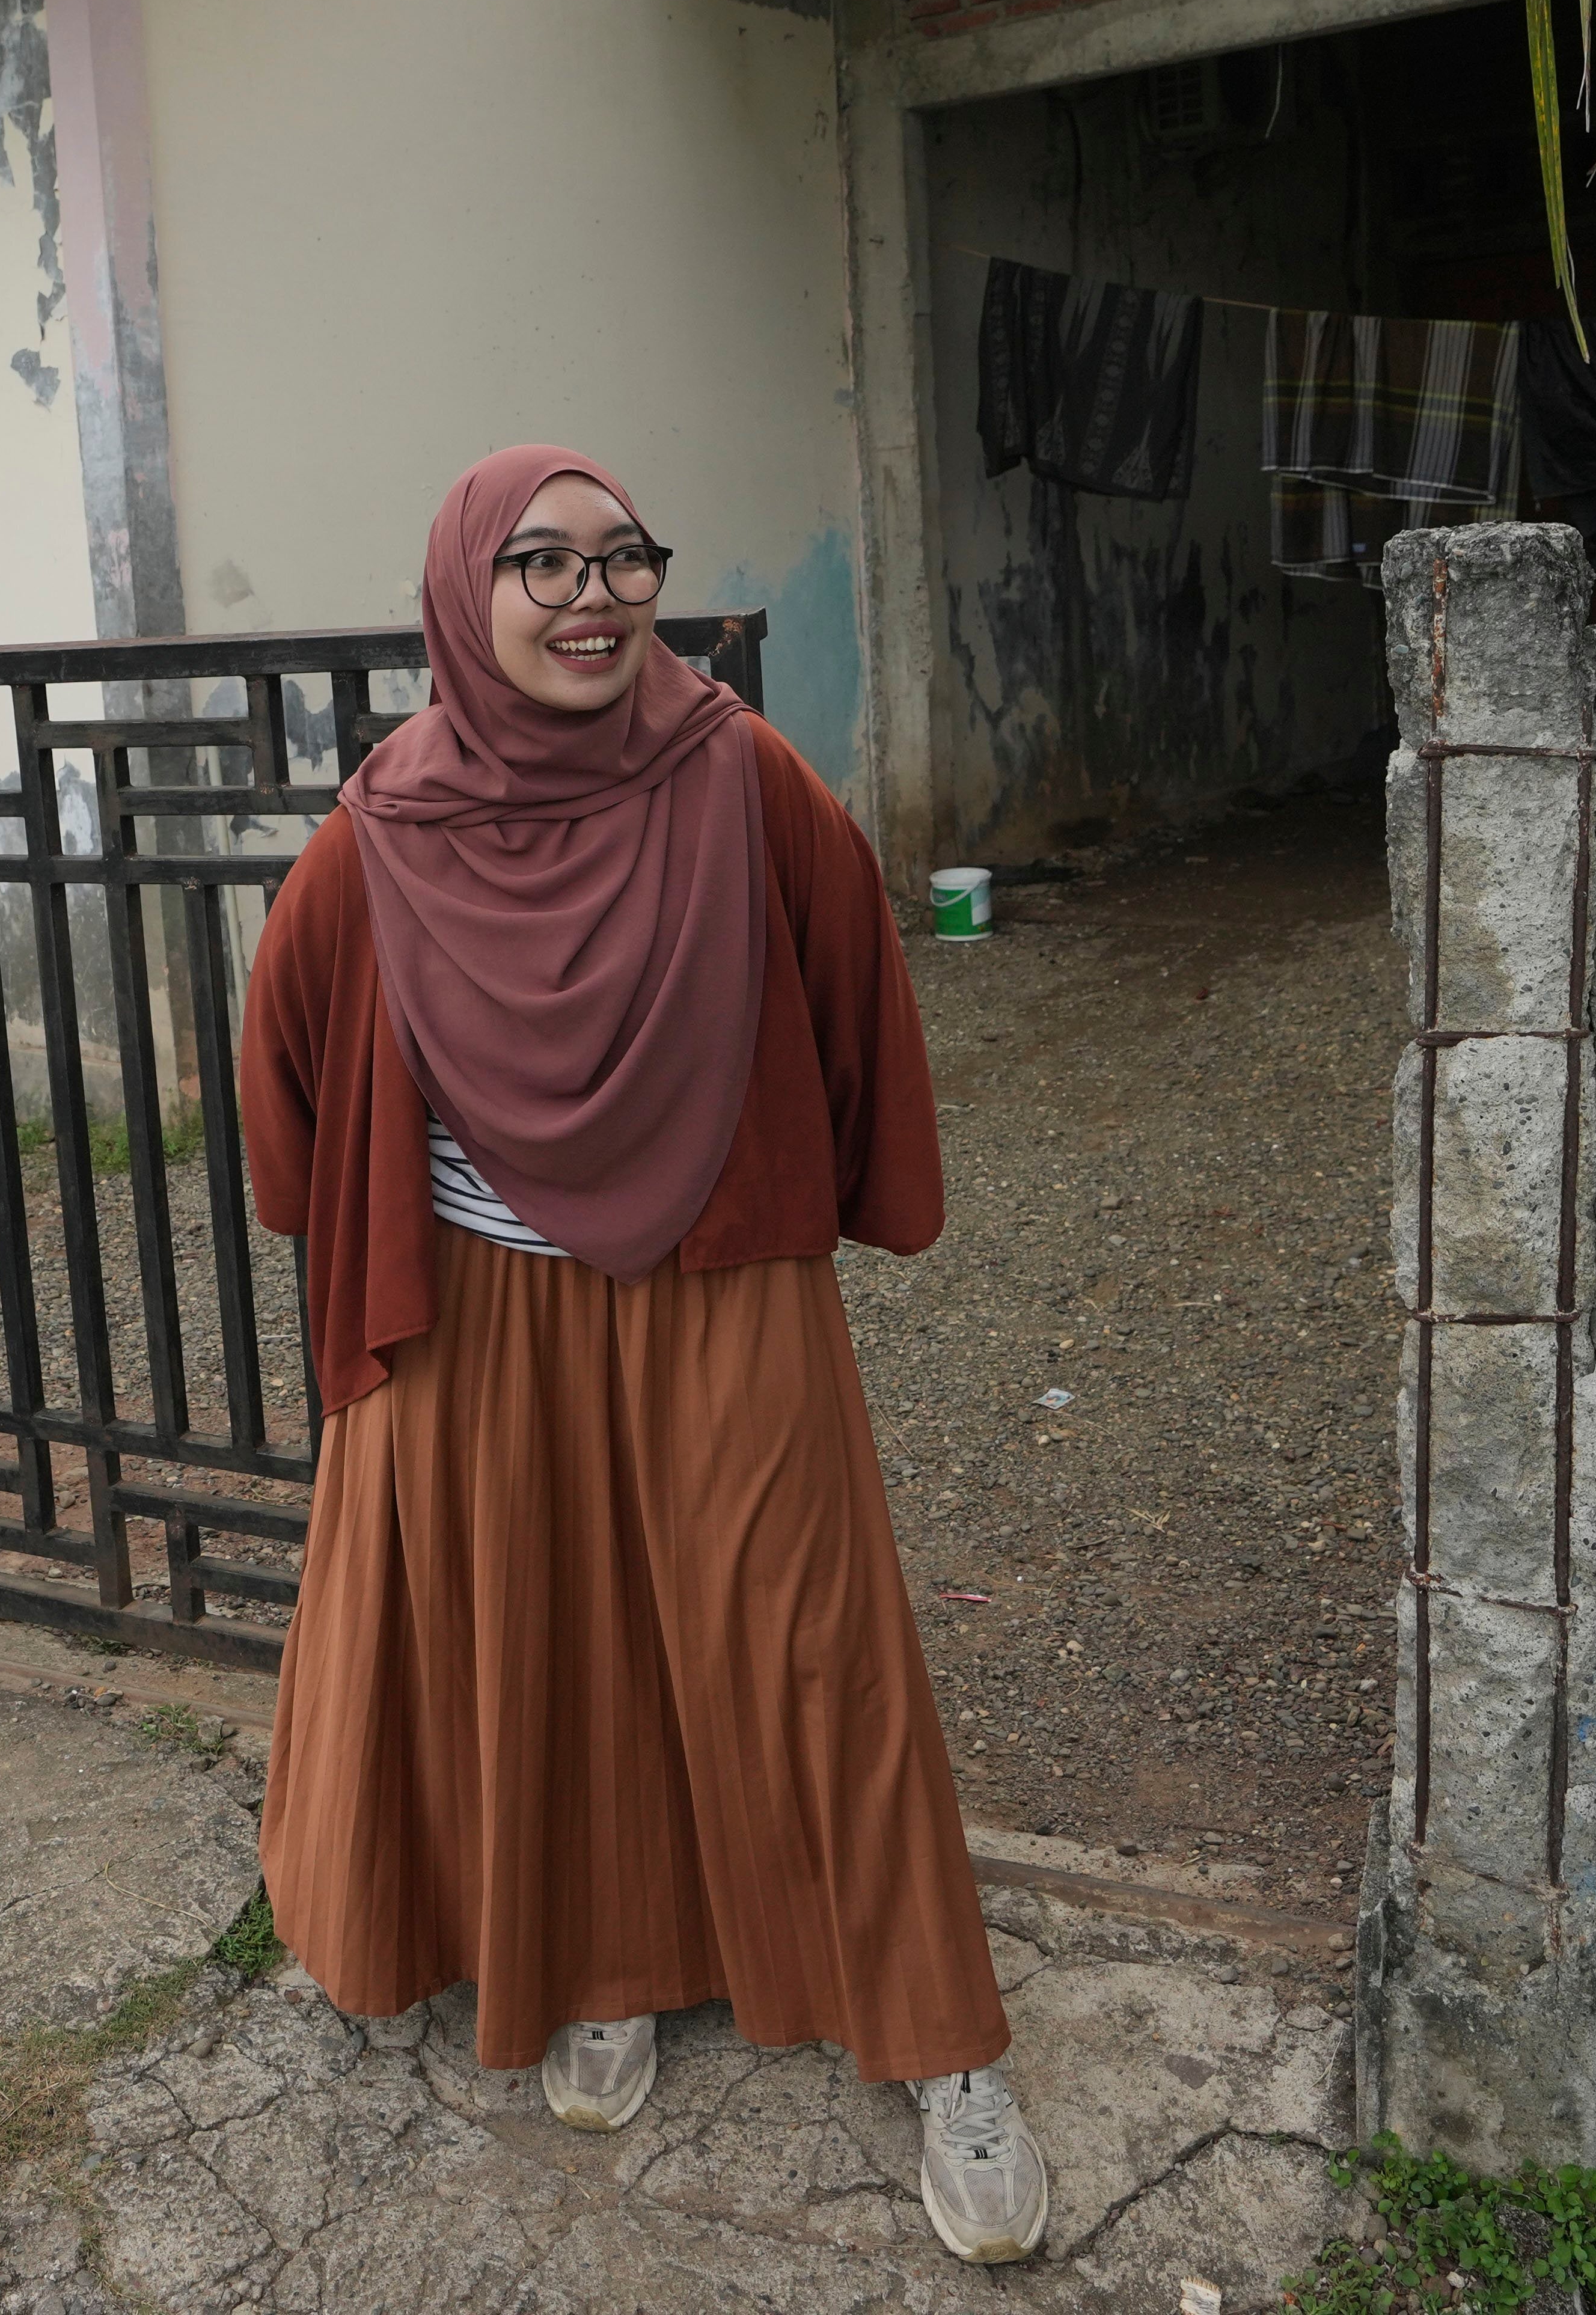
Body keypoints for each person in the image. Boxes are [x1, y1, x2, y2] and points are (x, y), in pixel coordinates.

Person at [242, 442, 1050, 2266]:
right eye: (544, 562)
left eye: (625, 560)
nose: (595, 596)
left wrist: (795, 1177)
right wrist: (370, 1199)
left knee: (811, 1636)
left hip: (720, 1277)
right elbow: (286, 1045)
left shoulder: (734, 773)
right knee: (550, 1636)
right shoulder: (390, 826)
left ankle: (944, 2043)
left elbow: (855, 977)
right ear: (467, 588)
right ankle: (599, 1960)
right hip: (478, 1311)